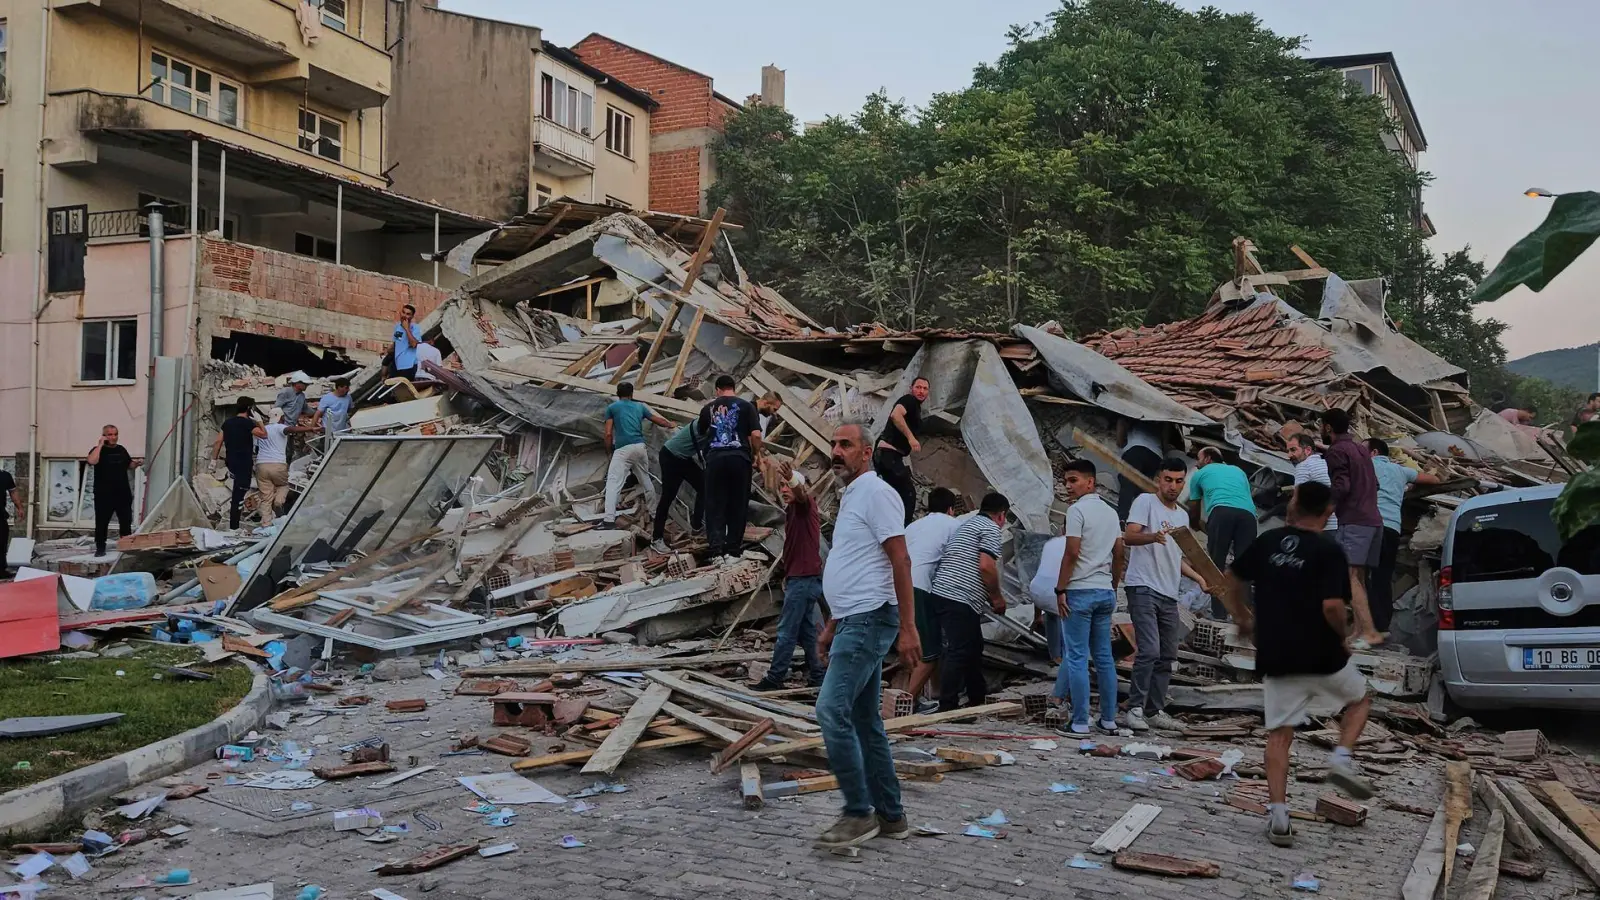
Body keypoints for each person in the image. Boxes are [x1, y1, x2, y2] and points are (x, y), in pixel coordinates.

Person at [1225, 481, 1374, 847]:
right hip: (1323, 654)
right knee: (1359, 702)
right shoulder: (1329, 550)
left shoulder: (1268, 542)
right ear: (1328, 513)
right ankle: (1340, 759)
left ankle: (1279, 817)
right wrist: (1342, 635)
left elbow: (1230, 579)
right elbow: (1332, 607)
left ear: (1294, 505)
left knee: (1279, 736)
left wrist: (1243, 619)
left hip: (1278, 654)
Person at [813, 421, 918, 850]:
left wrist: (909, 628)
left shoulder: (877, 494)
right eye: (833, 444)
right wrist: (832, 623)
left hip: (870, 620)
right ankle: (891, 816)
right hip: (852, 619)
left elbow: (901, 560)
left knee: (829, 711)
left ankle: (858, 812)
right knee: (865, 722)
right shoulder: (853, 497)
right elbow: (859, 567)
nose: (836, 451)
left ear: (866, 452)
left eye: (846, 444)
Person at [1122, 458, 1209, 732]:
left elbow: (1176, 558)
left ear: (1184, 482)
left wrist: (1199, 578)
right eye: (1168, 479)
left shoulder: (1181, 516)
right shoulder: (1145, 502)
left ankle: (1153, 711)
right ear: (1159, 479)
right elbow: (1129, 536)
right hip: (1143, 586)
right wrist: (1153, 537)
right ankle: (1134, 708)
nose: (1173, 486)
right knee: (1149, 649)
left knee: (1168, 654)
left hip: (1168, 592)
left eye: (1178, 481)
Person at [1052, 459, 1125, 735]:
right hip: (1104, 591)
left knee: (1077, 657)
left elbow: (1071, 553)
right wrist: (1113, 585)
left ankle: (1080, 722)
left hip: (1079, 591)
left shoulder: (1076, 511)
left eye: (1073, 480)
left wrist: (1060, 590)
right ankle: (1108, 719)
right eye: (1066, 481)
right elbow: (1119, 554)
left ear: (1090, 482)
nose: (1068, 486)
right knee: (1104, 658)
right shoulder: (1110, 512)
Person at [927, 492, 1009, 712]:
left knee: (973, 646)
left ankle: (977, 697)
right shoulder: (990, 528)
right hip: (958, 595)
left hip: (945, 592)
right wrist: (996, 597)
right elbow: (985, 566)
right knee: (959, 650)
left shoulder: (967, 525)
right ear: (1001, 515)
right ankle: (948, 706)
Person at [754, 468, 827, 691]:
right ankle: (819, 676)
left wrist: (794, 480)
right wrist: (788, 575)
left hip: (804, 580)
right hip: (801, 578)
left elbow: (803, 495)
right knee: (807, 632)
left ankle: (775, 678)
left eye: (788, 485)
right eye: (782, 486)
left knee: (786, 631)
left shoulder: (805, 507)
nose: (784, 489)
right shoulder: (793, 513)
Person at [1321, 408, 1384, 648]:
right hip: (1374, 521)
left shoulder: (1336, 451)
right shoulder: (1361, 449)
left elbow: (1341, 486)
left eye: (1321, 426)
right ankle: (1358, 632)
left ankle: (1369, 632)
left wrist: (1326, 511)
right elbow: (1375, 484)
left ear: (1328, 427)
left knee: (1349, 578)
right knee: (1358, 577)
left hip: (1355, 521)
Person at [1367, 438, 1440, 635]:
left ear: (1373, 452)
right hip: (1392, 529)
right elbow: (1434, 480)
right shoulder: (1399, 471)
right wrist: (1406, 488)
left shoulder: (1364, 465)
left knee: (1361, 576)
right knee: (1382, 578)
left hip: (1370, 526)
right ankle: (1383, 627)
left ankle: (1365, 626)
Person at [903, 487, 961, 713]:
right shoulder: (953, 525)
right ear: (951, 509)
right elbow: (958, 560)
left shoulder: (913, 526)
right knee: (931, 653)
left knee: (915, 646)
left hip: (897, 586)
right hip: (920, 587)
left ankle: (927, 696)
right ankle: (905, 703)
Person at [697, 375, 763, 561]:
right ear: (734, 388)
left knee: (714, 504)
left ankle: (717, 550)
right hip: (739, 459)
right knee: (738, 503)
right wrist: (755, 455)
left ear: (717, 390)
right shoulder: (747, 406)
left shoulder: (707, 408)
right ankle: (732, 550)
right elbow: (756, 435)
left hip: (715, 459)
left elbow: (701, 433)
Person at [1187, 447, 1257, 619]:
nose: (1197, 464)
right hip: (1248, 516)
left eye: (1199, 459)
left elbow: (1194, 506)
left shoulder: (1199, 474)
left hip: (1221, 512)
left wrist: (1194, 524)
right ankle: (1245, 616)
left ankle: (1219, 614)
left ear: (1208, 459)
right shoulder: (1238, 471)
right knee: (1245, 567)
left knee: (1215, 565)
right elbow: (1246, 496)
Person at [602, 383, 670, 528]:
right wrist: (671, 424)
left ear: (617, 394)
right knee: (646, 480)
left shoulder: (612, 408)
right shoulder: (640, 406)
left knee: (613, 483)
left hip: (622, 449)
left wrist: (609, 451)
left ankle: (608, 520)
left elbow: (608, 433)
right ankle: (653, 514)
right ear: (632, 394)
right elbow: (659, 420)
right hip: (639, 447)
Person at [874, 376, 929, 525]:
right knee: (908, 495)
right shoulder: (909, 400)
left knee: (892, 496)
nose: (921, 391)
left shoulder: (916, 407)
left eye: (925, 388)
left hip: (886, 456)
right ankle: (903, 533)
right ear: (911, 388)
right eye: (918, 387)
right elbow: (895, 415)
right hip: (888, 455)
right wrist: (911, 438)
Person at [251, 409, 317, 527]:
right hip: (277, 464)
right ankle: (278, 502)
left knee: (266, 497)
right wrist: (310, 428)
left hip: (261, 465)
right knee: (284, 485)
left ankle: (266, 524)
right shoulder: (279, 427)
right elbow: (290, 429)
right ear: (280, 417)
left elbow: (255, 448)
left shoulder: (261, 430)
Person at [651, 417, 706, 554]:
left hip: (684, 458)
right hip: (671, 456)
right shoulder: (710, 424)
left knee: (705, 487)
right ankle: (656, 539)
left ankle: (696, 527)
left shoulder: (713, 420)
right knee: (668, 497)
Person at [87, 424, 140, 556]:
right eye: (110, 435)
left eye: (115, 434)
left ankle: (126, 547)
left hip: (122, 492)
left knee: (125, 521)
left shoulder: (121, 450)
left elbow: (129, 465)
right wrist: (100, 445)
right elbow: (92, 461)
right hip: (104, 494)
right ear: (104, 436)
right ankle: (100, 548)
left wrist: (137, 463)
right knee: (101, 522)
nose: (113, 437)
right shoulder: (97, 450)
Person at [213, 398, 261, 531]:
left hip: (231, 462)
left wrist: (213, 460)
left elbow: (218, 442)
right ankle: (234, 527)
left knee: (238, 490)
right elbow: (264, 435)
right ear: (249, 409)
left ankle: (235, 522)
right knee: (239, 493)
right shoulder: (248, 423)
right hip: (244, 462)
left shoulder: (227, 423)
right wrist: (259, 421)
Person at [1116, 418, 1166, 524]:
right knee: (1143, 490)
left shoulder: (1132, 413)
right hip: (1156, 456)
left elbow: (1121, 433)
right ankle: (1138, 523)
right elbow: (1165, 440)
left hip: (1136, 449)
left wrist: (1120, 441)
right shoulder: (1164, 421)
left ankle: (1122, 519)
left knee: (1127, 483)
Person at [1286, 432, 1337, 532]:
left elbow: (1297, 499)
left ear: (1308, 450)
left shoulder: (1303, 466)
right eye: (1288, 451)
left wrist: (1288, 523)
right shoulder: (1325, 463)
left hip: (1322, 526)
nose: (1289, 455)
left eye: (1293, 450)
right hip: (1338, 524)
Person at [0, 466, 21, 579]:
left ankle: (1, 570)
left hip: (0, 516)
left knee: (2, 543)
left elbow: (13, 492)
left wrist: (20, 508)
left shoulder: (4, 475)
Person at [392, 304, 421, 380]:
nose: (404, 315)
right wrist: (386, 351)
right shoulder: (397, 326)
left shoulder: (415, 328)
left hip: (409, 366)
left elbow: (414, 344)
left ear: (412, 317)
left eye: (408, 314)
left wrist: (407, 329)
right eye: (403, 312)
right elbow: (396, 342)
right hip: (398, 365)